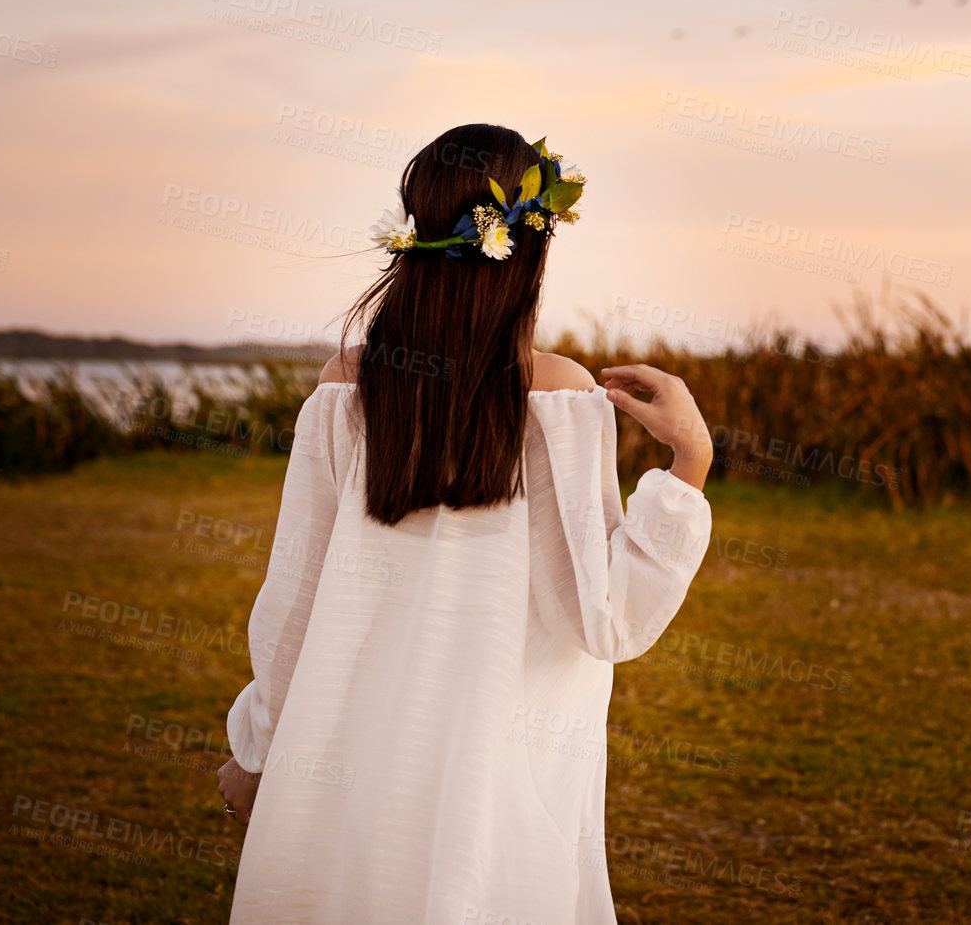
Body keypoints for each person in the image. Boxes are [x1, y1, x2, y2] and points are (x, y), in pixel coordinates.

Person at [216, 124, 715, 923]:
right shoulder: (557, 398)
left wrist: (262, 751)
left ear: (411, 235)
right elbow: (607, 617)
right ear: (531, 250)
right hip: (497, 792)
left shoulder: (344, 387)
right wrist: (689, 457)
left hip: (344, 768)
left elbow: (293, 603)